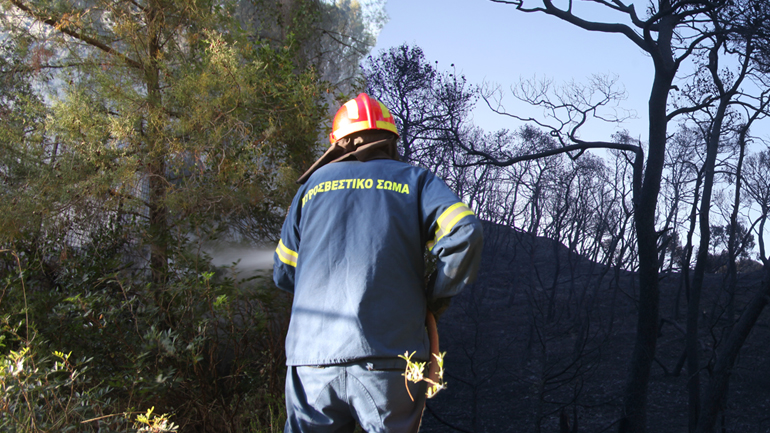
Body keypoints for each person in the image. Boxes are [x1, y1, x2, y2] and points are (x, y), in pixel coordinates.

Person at [273, 93, 483, 433]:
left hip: (311, 358)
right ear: (389, 141)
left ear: (337, 143)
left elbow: (283, 272)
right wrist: (435, 295)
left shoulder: (310, 189)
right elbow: (465, 231)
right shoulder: (415, 181)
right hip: (391, 356)